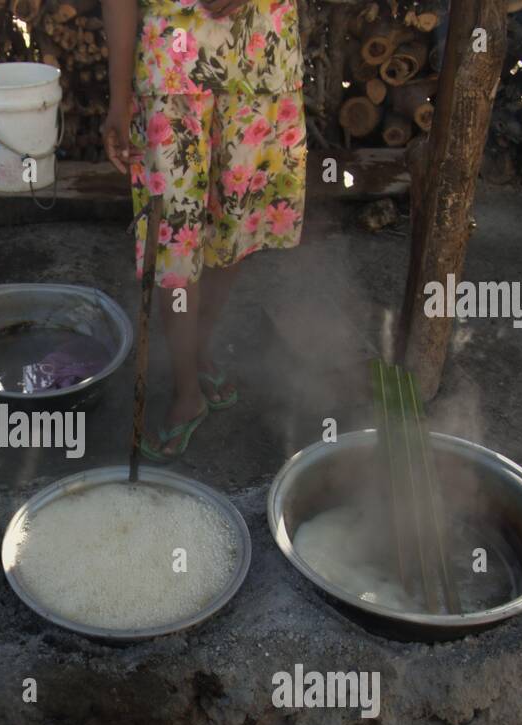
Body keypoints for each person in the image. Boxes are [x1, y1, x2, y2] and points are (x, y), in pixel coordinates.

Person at [100, 0, 307, 460]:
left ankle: (198, 345)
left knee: (237, 224)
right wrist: (118, 96)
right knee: (173, 240)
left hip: (260, 59)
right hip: (170, 69)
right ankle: (186, 387)